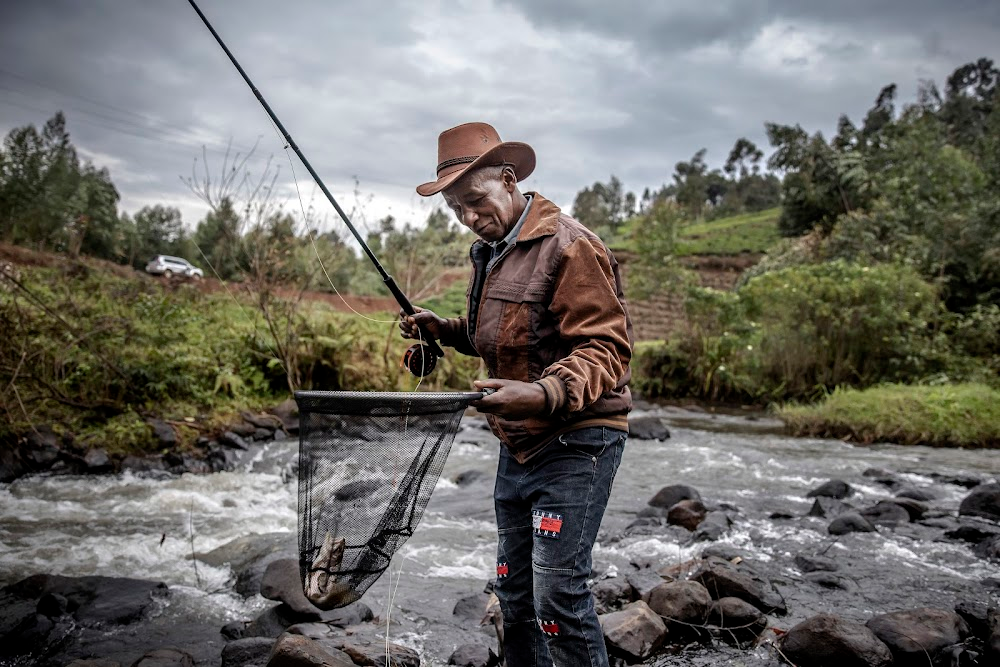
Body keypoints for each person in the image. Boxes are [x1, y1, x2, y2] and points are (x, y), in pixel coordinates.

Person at [400, 122, 633, 667]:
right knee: (513, 591)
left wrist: (544, 394)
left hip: (579, 438)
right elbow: (502, 335)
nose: (468, 218)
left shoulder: (571, 247)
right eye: (456, 209)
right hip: (518, 443)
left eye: (476, 202)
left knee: (558, 594)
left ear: (508, 180)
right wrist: (445, 329)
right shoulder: (490, 250)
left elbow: (606, 349)